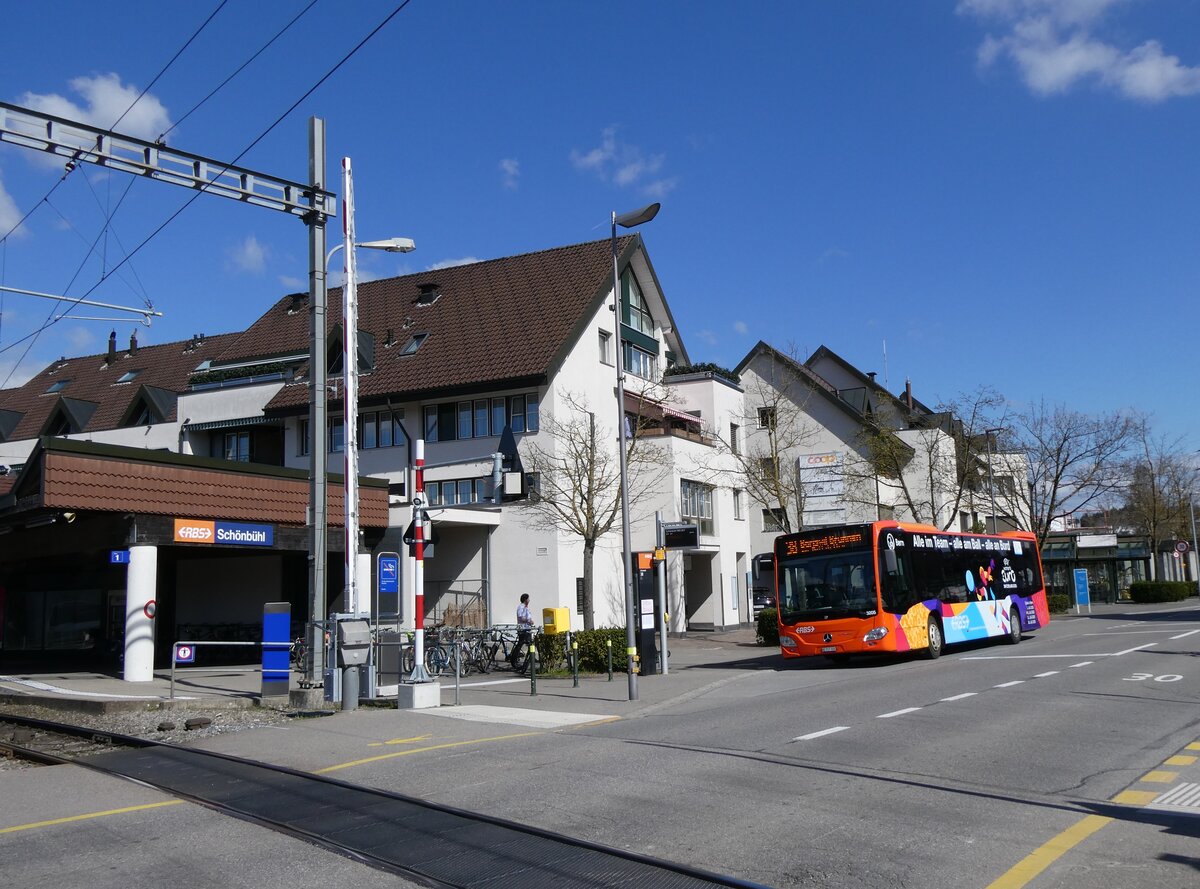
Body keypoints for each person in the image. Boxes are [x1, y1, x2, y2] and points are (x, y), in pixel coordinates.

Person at [511, 593, 535, 670]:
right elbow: (521, 617)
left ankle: (530, 657)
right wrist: (529, 621)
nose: (529, 600)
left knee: (529, 643)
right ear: (525, 600)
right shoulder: (521, 607)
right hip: (523, 628)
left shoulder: (526, 607)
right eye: (528, 598)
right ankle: (514, 659)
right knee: (521, 644)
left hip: (527, 628)